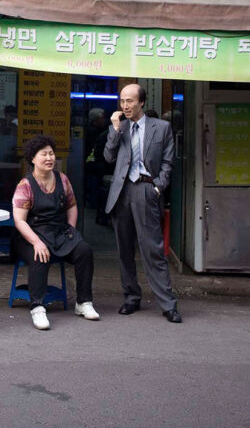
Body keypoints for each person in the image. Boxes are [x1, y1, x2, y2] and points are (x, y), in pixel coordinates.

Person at [104, 83, 182, 323]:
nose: (124, 106)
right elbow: (108, 157)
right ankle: (131, 297)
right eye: (122, 101)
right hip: (122, 192)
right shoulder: (119, 127)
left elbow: (169, 162)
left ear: (141, 103)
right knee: (124, 249)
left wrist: (158, 187)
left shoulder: (162, 128)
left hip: (147, 189)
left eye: (129, 101)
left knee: (153, 250)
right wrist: (116, 130)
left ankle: (168, 304)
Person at [11, 135, 99, 330]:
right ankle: (38, 307)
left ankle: (83, 302)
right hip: (30, 235)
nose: (50, 158)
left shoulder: (63, 179)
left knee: (84, 250)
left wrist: (71, 230)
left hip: (59, 233)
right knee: (40, 256)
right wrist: (36, 242)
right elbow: (19, 220)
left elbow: (72, 206)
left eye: (51, 153)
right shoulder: (25, 185)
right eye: (44, 154)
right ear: (33, 158)